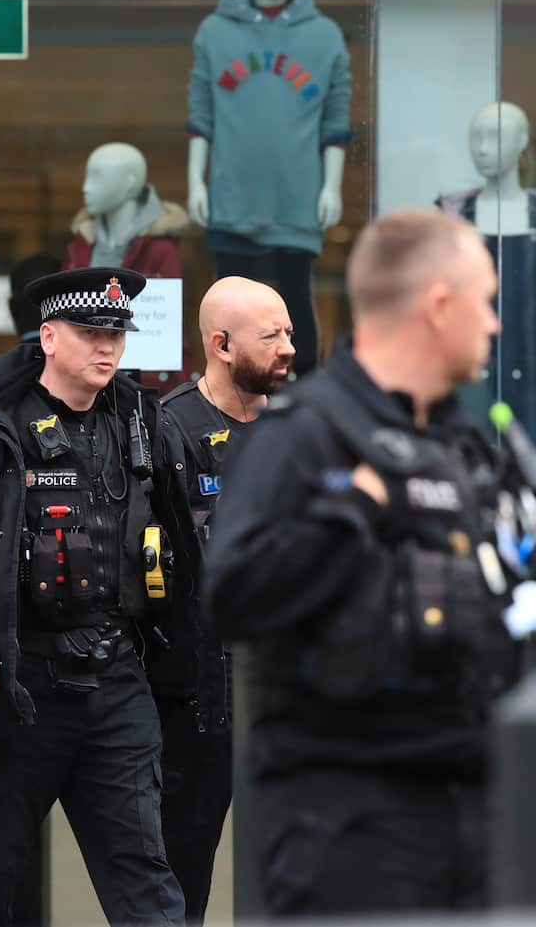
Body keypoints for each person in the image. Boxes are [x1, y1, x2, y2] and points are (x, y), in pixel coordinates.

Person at [206, 208, 519, 918]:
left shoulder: (461, 443)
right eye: (485, 301)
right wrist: (353, 512)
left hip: (472, 818)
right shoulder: (307, 434)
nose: (494, 324)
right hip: (349, 835)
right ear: (439, 306)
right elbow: (234, 596)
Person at [0, 266, 200, 927]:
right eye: (89, 332)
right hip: (23, 687)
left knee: (146, 881)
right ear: (49, 336)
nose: (107, 346)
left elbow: (183, 542)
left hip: (117, 681)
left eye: (116, 333)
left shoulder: (142, 422)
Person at [154, 276, 295, 924]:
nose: (289, 347)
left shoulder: (304, 426)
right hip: (199, 700)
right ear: (221, 344)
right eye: (272, 337)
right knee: (185, 875)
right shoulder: (170, 428)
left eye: (289, 332)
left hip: (292, 690)